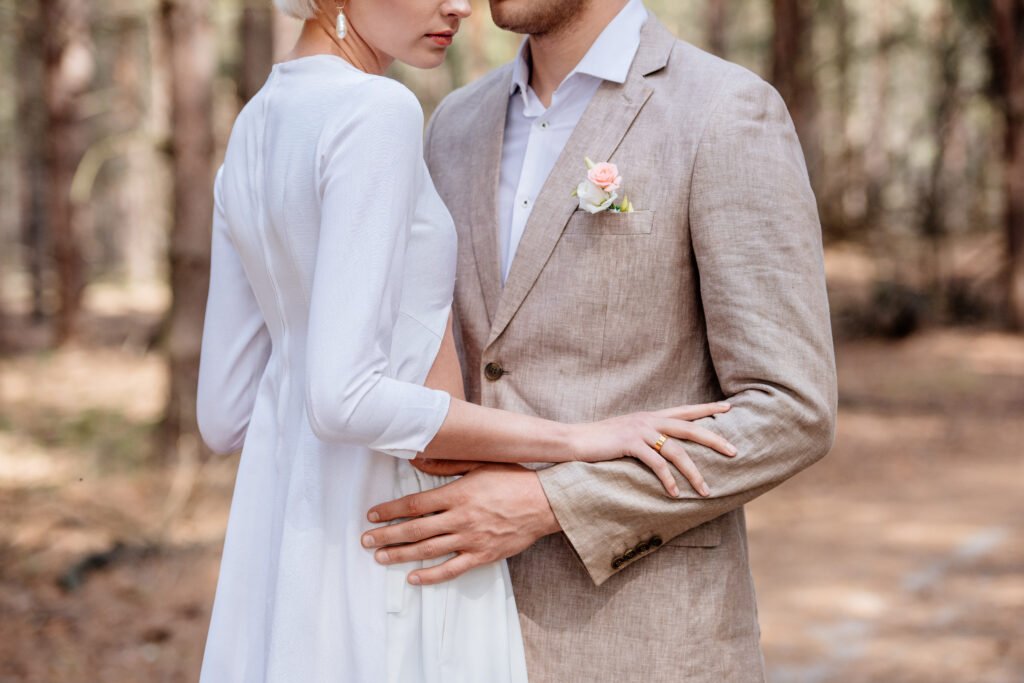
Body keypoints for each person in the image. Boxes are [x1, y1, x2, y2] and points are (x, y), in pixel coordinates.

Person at [194, 0, 737, 680]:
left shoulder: (253, 124)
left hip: (289, 549)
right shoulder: (378, 111)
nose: (459, 4)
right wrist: (577, 440)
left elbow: (222, 414)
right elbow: (342, 398)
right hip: (412, 535)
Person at [361, 0, 839, 680]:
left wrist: (553, 502)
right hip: (460, 625)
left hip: (647, 636)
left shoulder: (724, 111)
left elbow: (792, 409)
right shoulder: (453, 125)